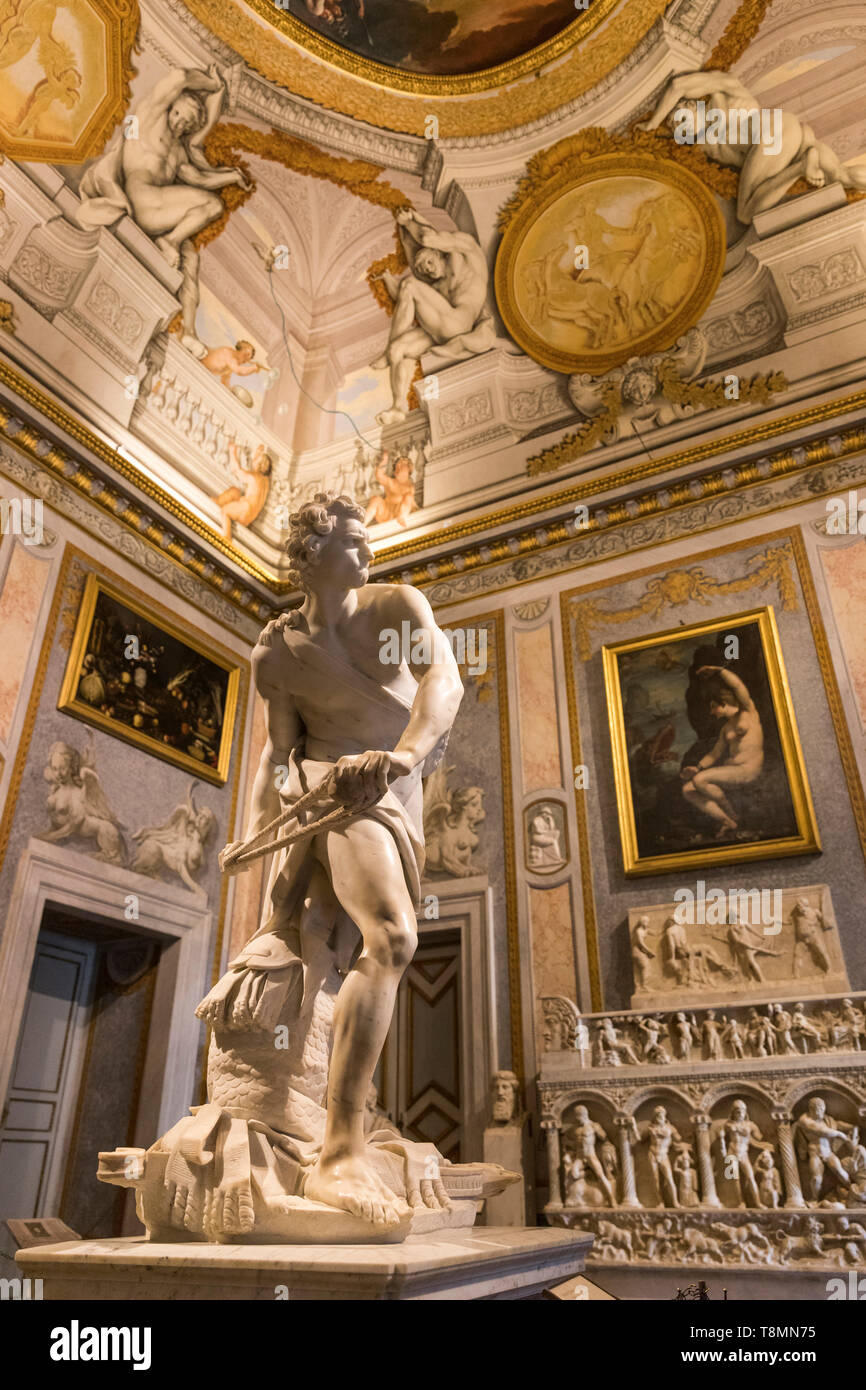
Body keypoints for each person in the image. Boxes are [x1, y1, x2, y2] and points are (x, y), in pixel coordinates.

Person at [76, 65, 250, 343]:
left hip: (157, 212)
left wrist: (231, 176)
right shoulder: (150, 118)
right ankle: (169, 241)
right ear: (172, 105)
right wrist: (212, 85)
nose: (179, 123)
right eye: (178, 114)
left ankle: (171, 240)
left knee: (213, 206)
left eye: (187, 123)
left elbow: (200, 177)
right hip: (140, 197)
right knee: (205, 210)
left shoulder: (180, 151)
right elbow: (179, 77)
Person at [372, 209, 494, 425]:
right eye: (422, 268)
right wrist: (387, 279)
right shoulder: (437, 287)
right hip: (442, 329)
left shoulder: (467, 254)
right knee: (397, 350)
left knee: (410, 284)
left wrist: (410, 221)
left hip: (460, 323)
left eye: (428, 262)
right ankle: (398, 406)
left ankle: (387, 351)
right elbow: (406, 302)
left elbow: (428, 238)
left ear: (439, 252)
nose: (427, 271)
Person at [680, 665, 764, 840]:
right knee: (688, 789)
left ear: (723, 703)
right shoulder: (726, 728)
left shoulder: (748, 712)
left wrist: (720, 671)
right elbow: (715, 754)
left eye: (713, 707)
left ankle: (731, 813)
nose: (711, 712)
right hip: (733, 772)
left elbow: (738, 687)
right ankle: (728, 821)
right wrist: (697, 767)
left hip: (749, 769)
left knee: (700, 780)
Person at [215, 442, 272, 541]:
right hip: (250, 517)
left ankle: (226, 539)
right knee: (235, 491)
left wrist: (232, 451)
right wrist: (259, 451)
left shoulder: (254, 477)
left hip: (245, 508)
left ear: (259, 465)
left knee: (225, 511)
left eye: (255, 460)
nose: (253, 461)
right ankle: (218, 501)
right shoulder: (266, 482)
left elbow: (236, 470)